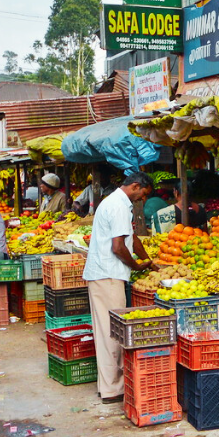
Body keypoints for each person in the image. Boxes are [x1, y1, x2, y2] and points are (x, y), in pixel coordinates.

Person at [83, 172, 154, 403]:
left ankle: (110, 386)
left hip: (104, 275)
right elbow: (118, 247)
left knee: (108, 331)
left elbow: (131, 240)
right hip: (108, 275)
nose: (142, 200)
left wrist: (149, 262)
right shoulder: (119, 206)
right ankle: (112, 389)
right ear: (135, 186)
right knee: (111, 333)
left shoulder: (115, 202)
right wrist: (135, 266)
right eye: (143, 194)